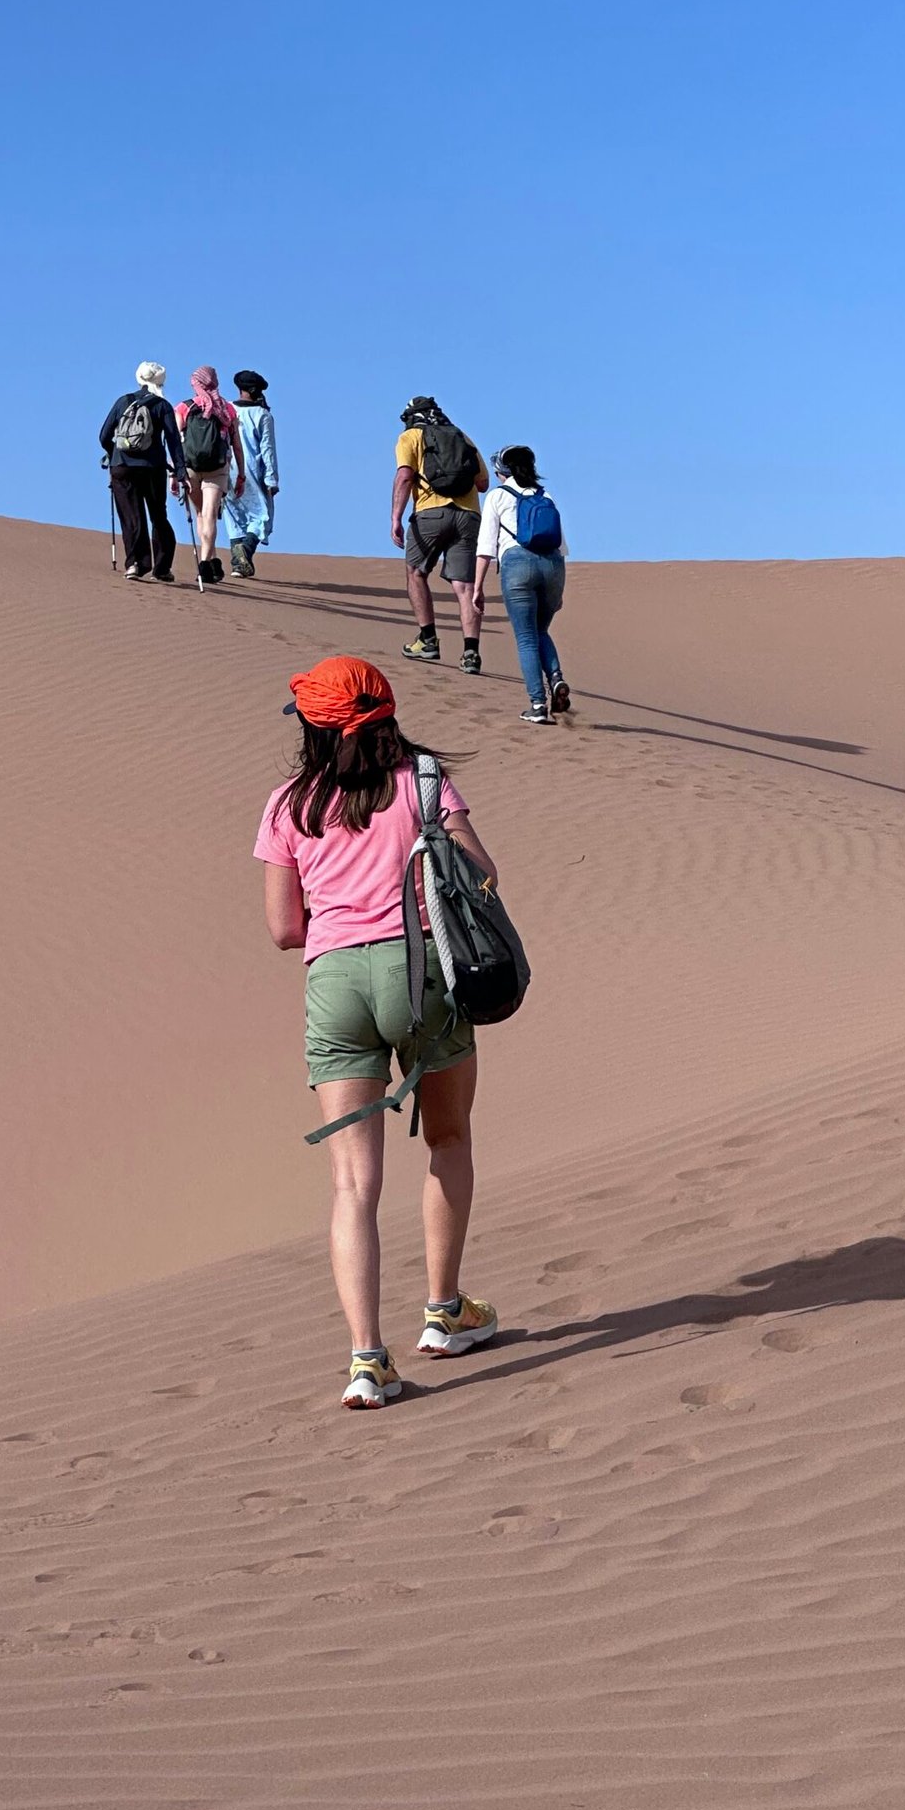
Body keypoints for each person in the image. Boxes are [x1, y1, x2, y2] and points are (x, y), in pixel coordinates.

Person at [255, 654, 500, 1409]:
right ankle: (445, 1309)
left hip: (335, 984)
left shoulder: (289, 804)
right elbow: (483, 873)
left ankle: (367, 1359)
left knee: (353, 1183)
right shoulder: (424, 782)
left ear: (315, 728)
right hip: (422, 969)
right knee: (448, 1140)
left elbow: (282, 929)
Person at [473, 446, 572, 726]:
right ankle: (556, 679)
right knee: (540, 630)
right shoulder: (546, 496)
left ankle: (538, 704)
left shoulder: (497, 496)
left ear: (502, 471)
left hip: (517, 564)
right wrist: (559, 590)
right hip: (553, 567)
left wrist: (478, 587)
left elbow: (485, 547)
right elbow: (561, 546)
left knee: (527, 637)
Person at [391, 396, 489, 673]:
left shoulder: (410, 437)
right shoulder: (462, 436)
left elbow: (405, 477)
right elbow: (482, 483)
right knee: (466, 587)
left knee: (416, 572)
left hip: (430, 513)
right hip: (468, 516)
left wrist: (395, 517)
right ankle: (471, 653)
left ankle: (428, 639)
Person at [98, 361, 188, 583]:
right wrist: (180, 471)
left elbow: (103, 435)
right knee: (158, 515)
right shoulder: (162, 406)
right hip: (152, 467)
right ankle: (162, 567)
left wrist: (114, 455)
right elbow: (174, 440)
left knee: (131, 516)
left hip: (122, 468)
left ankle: (134, 564)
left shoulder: (123, 402)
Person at [175, 366, 244, 585]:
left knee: (200, 515)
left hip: (190, 467)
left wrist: (173, 473)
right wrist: (241, 474)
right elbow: (237, 445)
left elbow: (176, 443)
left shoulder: (185, 407)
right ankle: (207, 562)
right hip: (218, 468)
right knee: (210, 514)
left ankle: (208, 562)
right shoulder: (228, 410)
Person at [225, 370, 278, 579]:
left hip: (226, 470)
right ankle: (244, 553)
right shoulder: (263, 415)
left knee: (234, 517)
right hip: (252, 472)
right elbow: (268, 449)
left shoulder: (227, 410)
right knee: (261, 517)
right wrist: (272, 480)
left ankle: (238, 565)